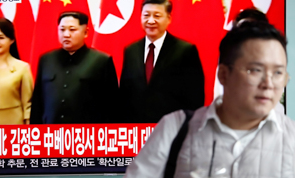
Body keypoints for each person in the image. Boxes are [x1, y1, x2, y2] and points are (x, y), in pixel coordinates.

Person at [124, 21, 294, 178]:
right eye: (256, 70)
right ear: (223, 75)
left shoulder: (291, 140)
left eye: (278, 73)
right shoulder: (175, 129)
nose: (268, 84)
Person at [120, 0, 204, 123]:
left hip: (172, 129)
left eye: (157, 16)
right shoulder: (131, 50)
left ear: (169, 18)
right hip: (136, 130)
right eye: (146, 15)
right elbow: (125, 94)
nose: (151, 21)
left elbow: (195, 96)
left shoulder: (185, 51)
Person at [30, 11, 118, 124]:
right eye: (62, 30)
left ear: (85, 32)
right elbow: (38, 102)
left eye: (72, 30)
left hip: (87, 135)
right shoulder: (46, 60)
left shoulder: (101, 61)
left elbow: (112, 106)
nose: (66, 34)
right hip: (51, 134)